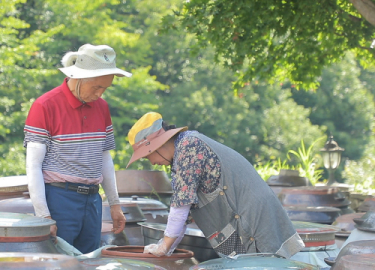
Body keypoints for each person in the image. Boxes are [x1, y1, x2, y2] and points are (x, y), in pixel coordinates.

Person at [126, 112, 304, 258]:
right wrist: (166, 249)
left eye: (147, 156)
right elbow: (183, 214)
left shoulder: (188, 148)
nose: (151, 161)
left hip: (253, 222)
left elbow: (180, 207)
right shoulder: (185, 148)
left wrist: (164, 246)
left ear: (157, 146)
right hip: (252, 218)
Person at [24, 44, 129, 254]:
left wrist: (115, 204)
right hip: (59, 199)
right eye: (96, 87)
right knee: (58, 263)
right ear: (79, 77)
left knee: (89, 261)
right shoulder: (45, 106)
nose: (100, 94)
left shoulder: (102, 107)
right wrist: (43, 216)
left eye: (105, 88)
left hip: (92, 200)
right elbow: (33, 165)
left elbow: (104, 158)